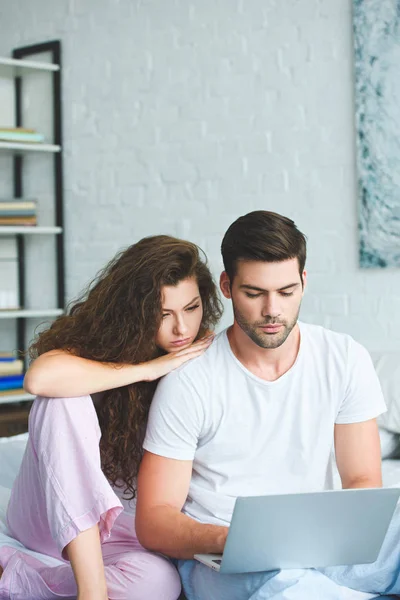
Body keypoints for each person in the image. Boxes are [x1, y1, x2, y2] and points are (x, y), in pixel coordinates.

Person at [134, 211, 399, 600]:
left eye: (287, 292)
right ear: (227, 286)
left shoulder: (344, 358)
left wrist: (328, 539)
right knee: (283, 585)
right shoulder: (190, 381)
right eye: (254, 293)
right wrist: (239, 541)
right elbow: (154, 520)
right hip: (228, 554)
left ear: (304, 282)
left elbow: (363, 481)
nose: (272, 310)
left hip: (322, 541)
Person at [0, 235, 223, 600]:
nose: (182, 329)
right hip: (45, 521)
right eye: (163, 314)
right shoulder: (107, 344)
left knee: (159, 585)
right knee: (62, 401)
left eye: (191, 308)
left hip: (123, 532)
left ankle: (24, 577)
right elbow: (40, 378)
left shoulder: (204, 356)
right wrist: (147, 369)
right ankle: (92, 594)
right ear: (135, 311)